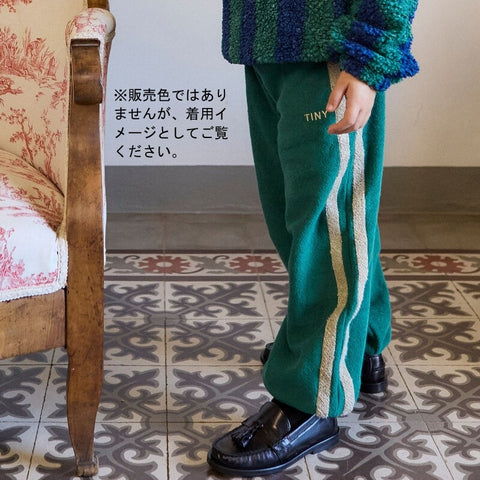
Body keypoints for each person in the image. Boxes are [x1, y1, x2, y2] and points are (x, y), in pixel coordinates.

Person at [208, 0, 419, 477]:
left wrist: (369, 58)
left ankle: (310, 399)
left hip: (330, 43)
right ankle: (358, 348)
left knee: (326, 231)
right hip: (266, 38)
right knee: (315, 217)